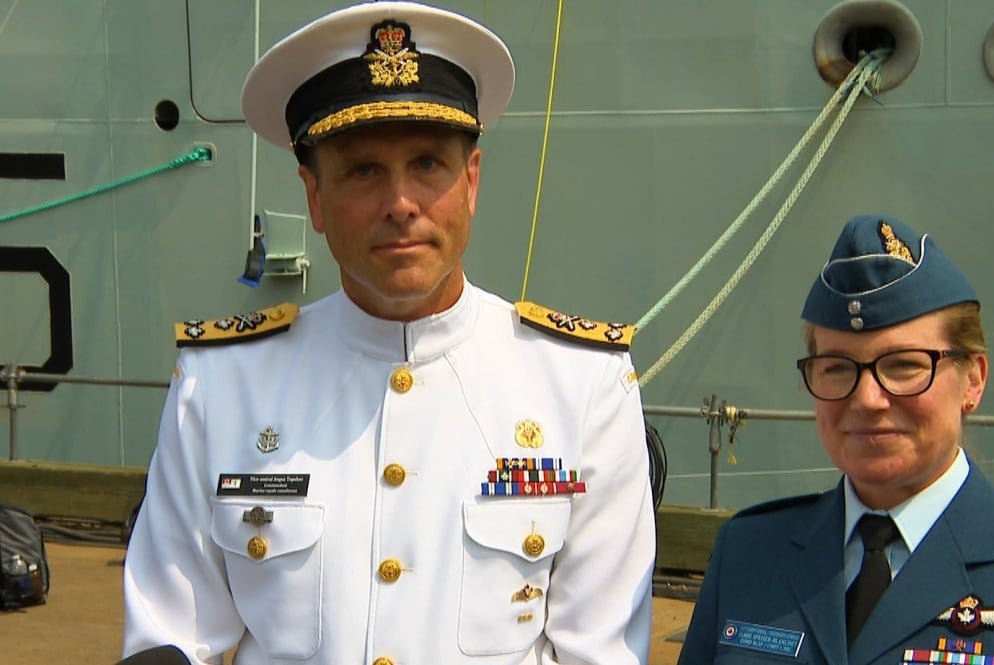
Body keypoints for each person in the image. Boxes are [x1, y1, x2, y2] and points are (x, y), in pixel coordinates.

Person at [122, 3, 655, 664]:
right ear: (314, 197)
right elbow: (171, 634)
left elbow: (598, 652)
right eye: (364, 170)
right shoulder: (221, 386)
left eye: (429, 164)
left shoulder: (581, 387)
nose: (400, 202)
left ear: (472, 183)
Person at [678, 215, 994, 664]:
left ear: (973, 380)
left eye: (904, 366)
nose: (867, 399)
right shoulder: (750, 554)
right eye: (837, 368)